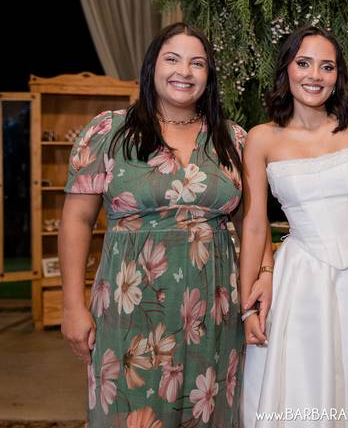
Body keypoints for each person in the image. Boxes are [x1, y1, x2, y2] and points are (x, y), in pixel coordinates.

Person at [59, 22, 254, 426]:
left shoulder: (233, 139)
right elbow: (77, 220)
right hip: (129, 308)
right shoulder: (109, 131)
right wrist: (72, 306)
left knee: (209, 411)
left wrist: (262, 276)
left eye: (197, 63)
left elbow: (252, 224)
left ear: (209, 75)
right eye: (173, 59)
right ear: (151, 67)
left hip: (214, 311)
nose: (185, 71)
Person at [240, 26, 348, 426]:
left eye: (327, 66)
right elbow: (254, 224)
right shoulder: (262, 139)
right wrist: (248, 304)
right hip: (302, 278)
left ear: (338, 75)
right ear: (286, 69)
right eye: (303, 63)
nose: (314, 75)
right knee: (306, 381)